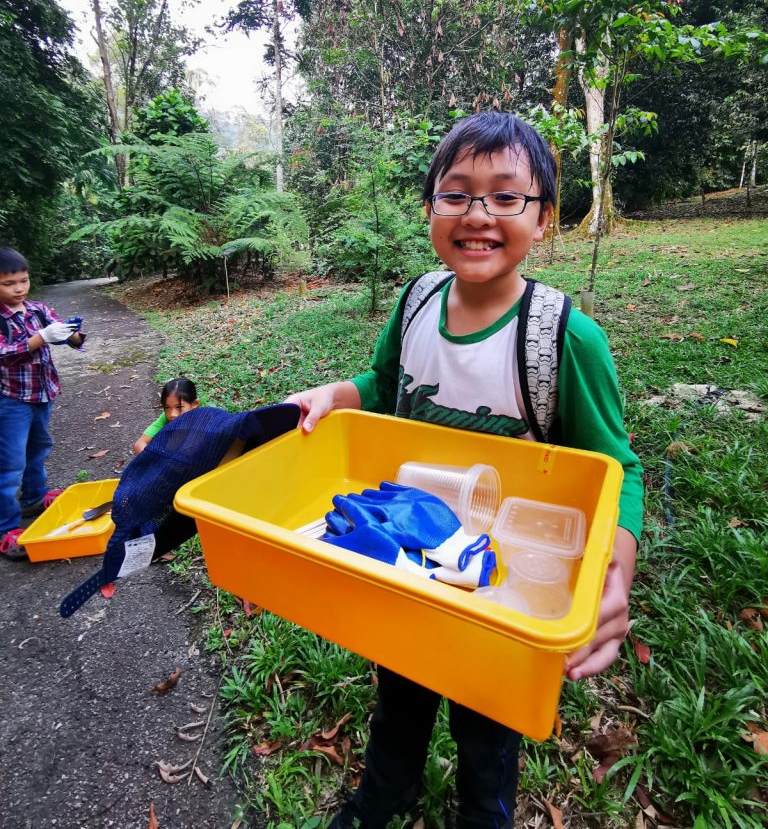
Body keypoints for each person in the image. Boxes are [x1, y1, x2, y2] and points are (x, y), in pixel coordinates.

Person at [284, 112, 643, 829]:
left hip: (501, 591)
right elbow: (384, 382)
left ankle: (484, 815)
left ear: (543, 219)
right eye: (456, 194)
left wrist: (617, 572)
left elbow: (618, 469)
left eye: (507, 196)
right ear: (429, 210)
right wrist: (336, 393)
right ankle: (384, 799)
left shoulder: (563, 337)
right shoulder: (416, 302)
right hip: (412, 570)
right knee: (401, 701)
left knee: (487, 733)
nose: (478, 215)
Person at [0, 248, 86, 560]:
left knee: (39, 447)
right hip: (11, 400)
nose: (18, 288)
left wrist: (72, 335)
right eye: (9, 283)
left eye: (23, 280)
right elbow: (5, 353)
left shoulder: (37, 309)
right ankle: (6, 528)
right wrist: (41, 338)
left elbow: (63, 333)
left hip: (42, 394)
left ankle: (34, 498)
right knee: (9, 464)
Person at [131, 377, 200, 454]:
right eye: (167, 407)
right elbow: (139, 444)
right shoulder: (165, 418)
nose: (172, 414)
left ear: (194, 404)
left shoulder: (206, 420)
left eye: (179, 407)